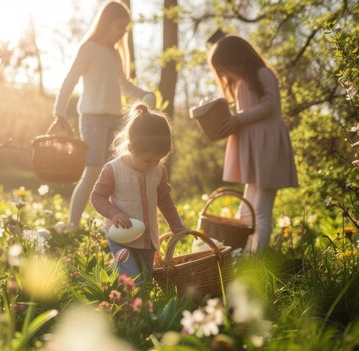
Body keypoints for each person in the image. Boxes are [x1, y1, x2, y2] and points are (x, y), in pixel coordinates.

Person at [51, 1, 155, 229]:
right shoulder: (89, 49)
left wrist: (144, 94)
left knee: (113, 174)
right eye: (120, 27)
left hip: (114, 120)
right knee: (93, 171)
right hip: (92, 119)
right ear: (106, 24)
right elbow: (70, 80)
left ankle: (110, 226)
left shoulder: (114, 54)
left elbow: (125, 85)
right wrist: (59, 113)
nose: (122, 33)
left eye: (125, 29)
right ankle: (72, 225)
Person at [208, 35, 298, 252]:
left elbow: (270, 106)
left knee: (261, 210)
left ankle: (256, 259)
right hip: (255, 150)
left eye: (226, 67)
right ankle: (241, 254)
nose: (226, 74)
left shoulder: (263, 74)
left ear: (237, 59)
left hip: (268, 147)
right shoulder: (240, 83)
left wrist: (238, 119)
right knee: (247, 209)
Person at [90, 103, 187, 283]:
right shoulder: (113, 169)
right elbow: (97, 197)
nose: (152, 164)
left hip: (147, 240)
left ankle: (127, 288)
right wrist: (114, 214)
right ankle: (128, 304)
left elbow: (164, 200)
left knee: (146, 280)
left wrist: (176, 224)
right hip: (120, 236)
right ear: (130, 147)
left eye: (159, 159)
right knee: (133, 281)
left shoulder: (159, 171)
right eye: (148, 160)